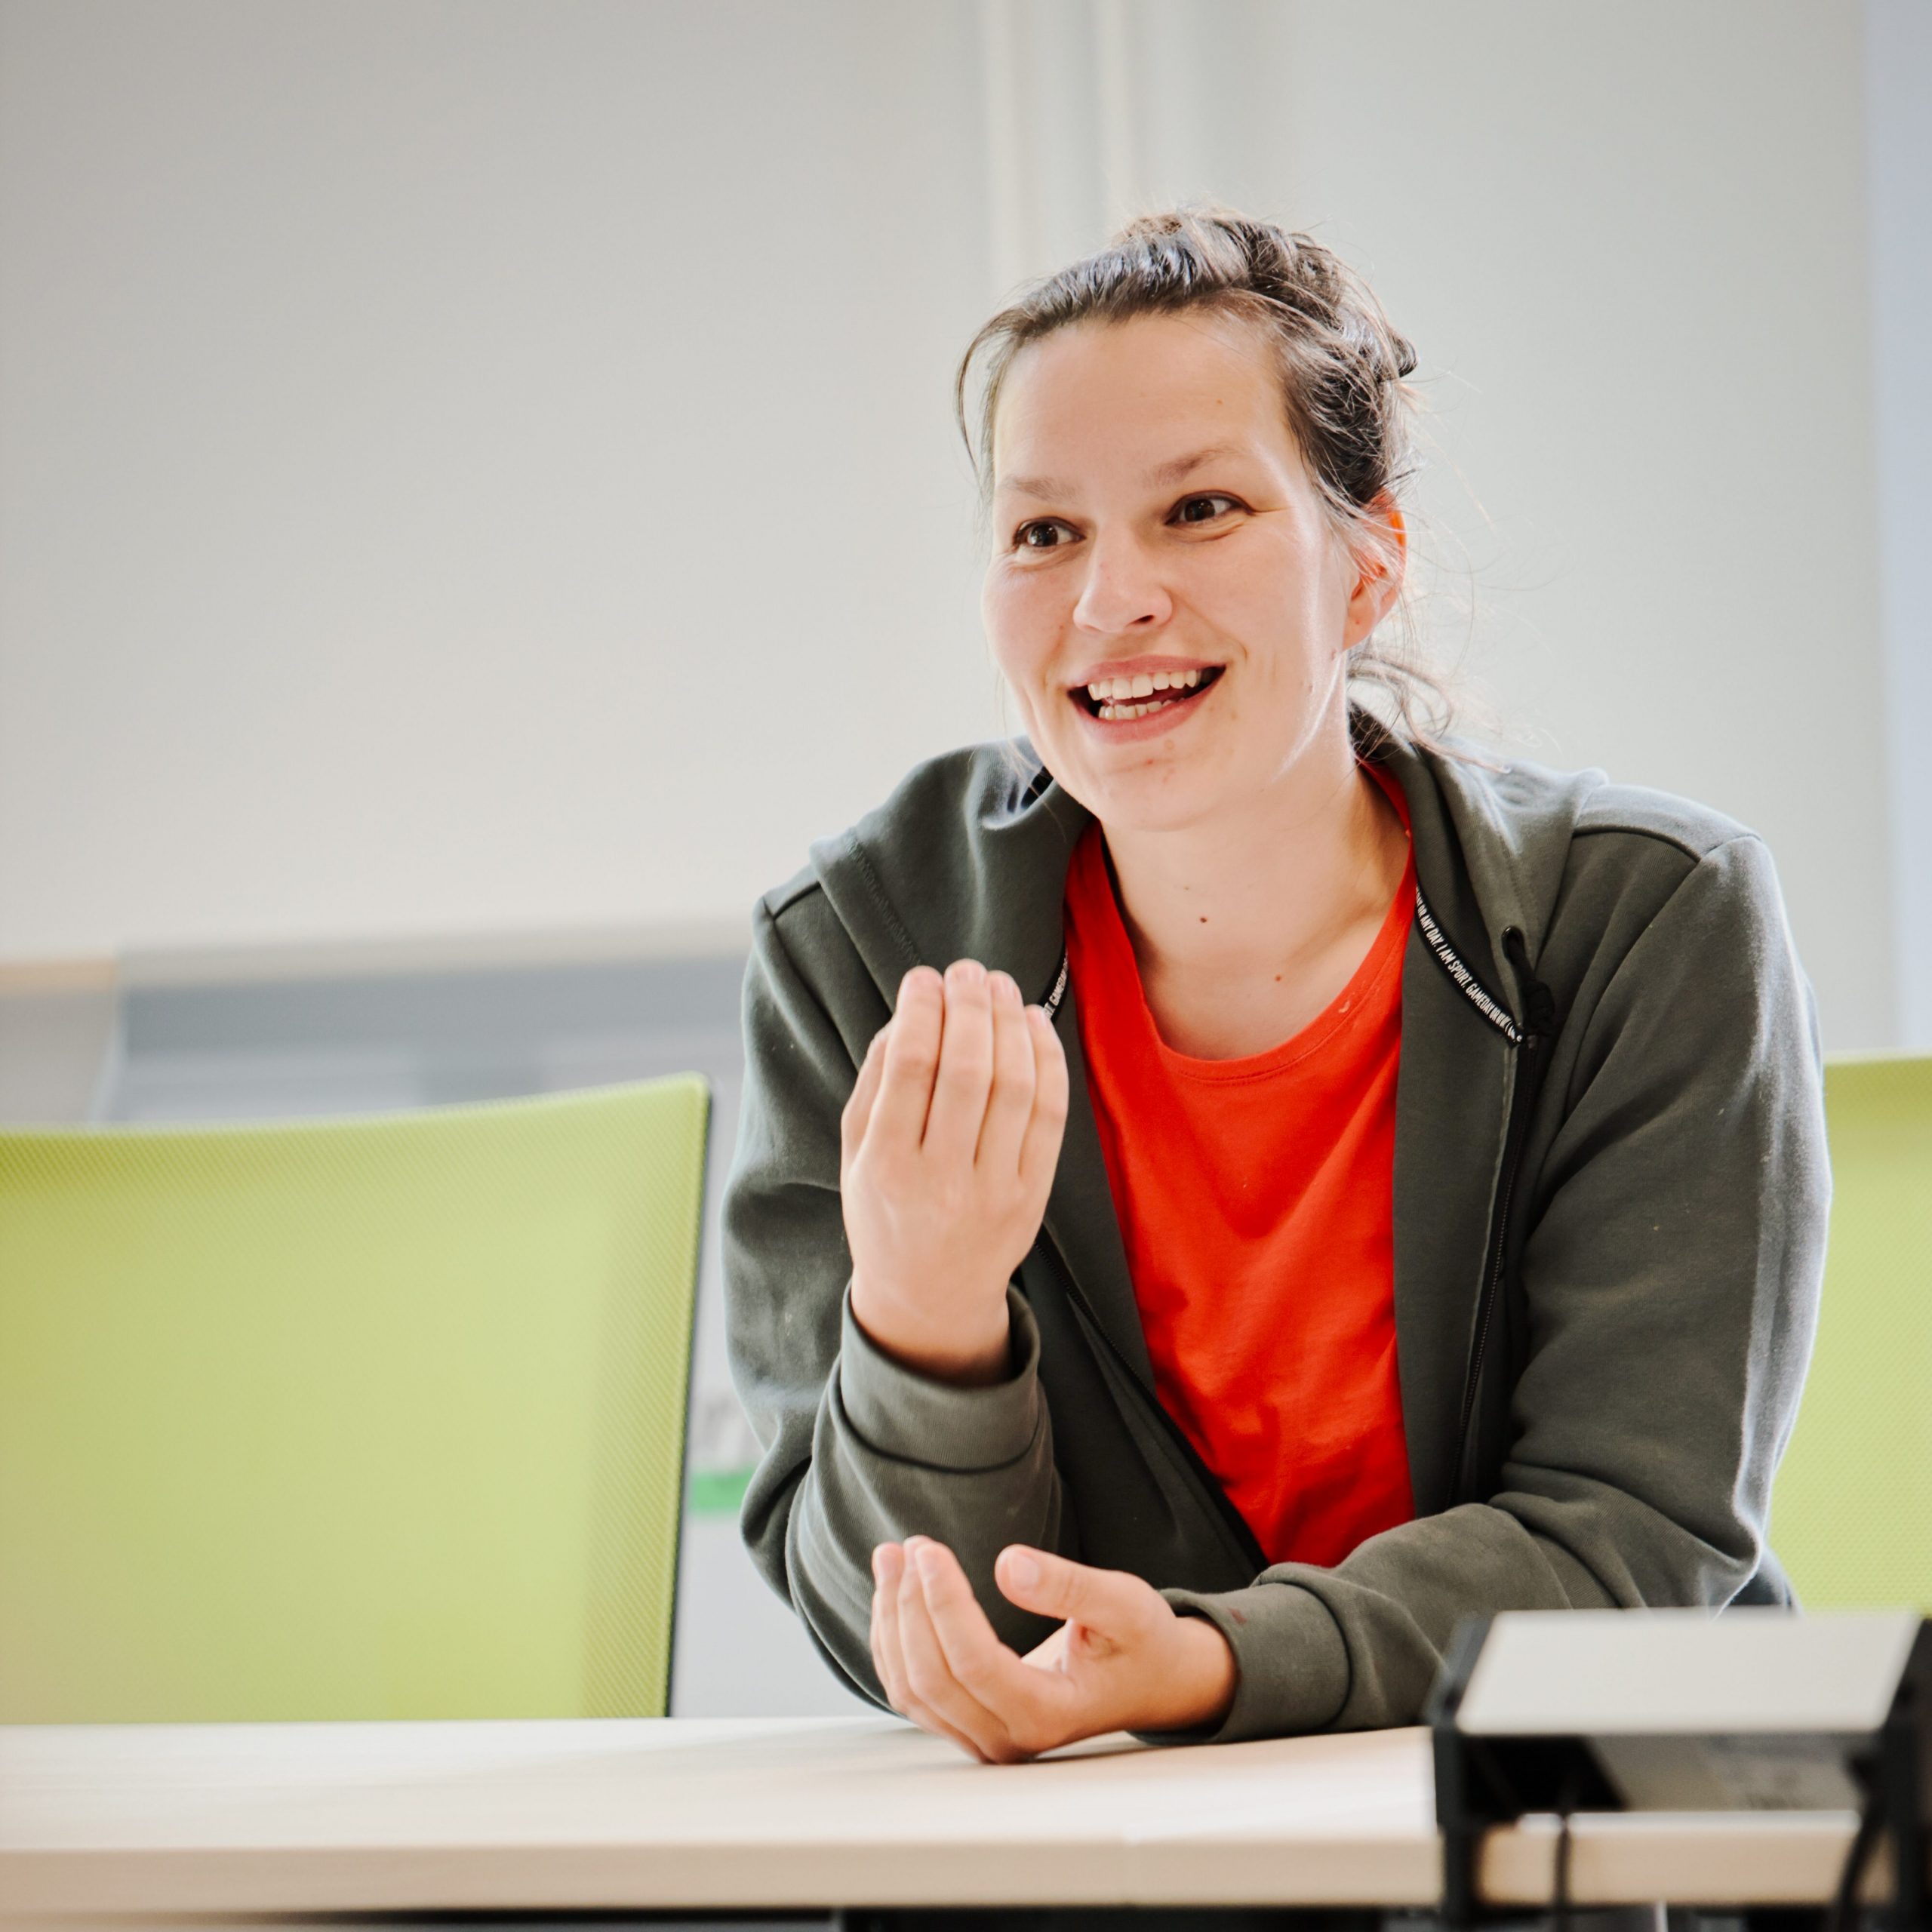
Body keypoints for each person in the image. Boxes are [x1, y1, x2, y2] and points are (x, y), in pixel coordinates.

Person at [721, 208, 1828, 1764]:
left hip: (1562, 1811)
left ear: (1366, 568)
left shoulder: (1648, 919)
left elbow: (1628, 1534)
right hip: (1104, 1843)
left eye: (1199, 509)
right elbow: (899, 1639)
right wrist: (925, 1320)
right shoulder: (858, 948)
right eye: (1043, 533)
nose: (1109, 600)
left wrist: (1212, 1663)